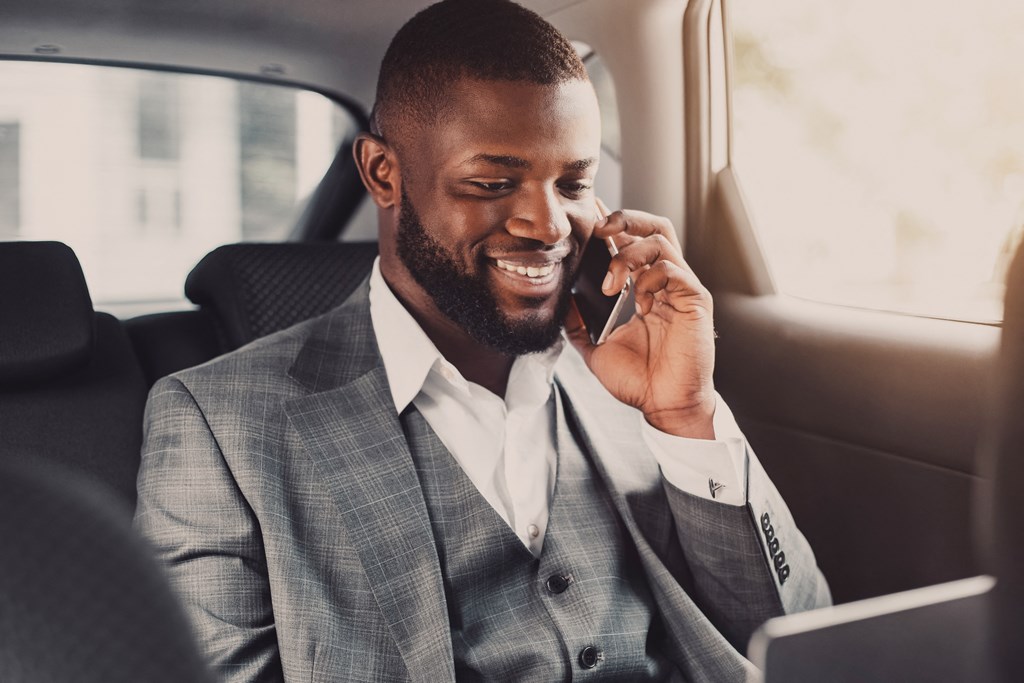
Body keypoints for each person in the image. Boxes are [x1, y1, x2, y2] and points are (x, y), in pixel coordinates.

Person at [134, 1, 831, 681]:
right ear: (383, 174)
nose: (548, 223)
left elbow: (796, 639)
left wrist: (686, 417)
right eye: (494, 182)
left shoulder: (632, 375)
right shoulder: (219, 425)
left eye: (573, 182)